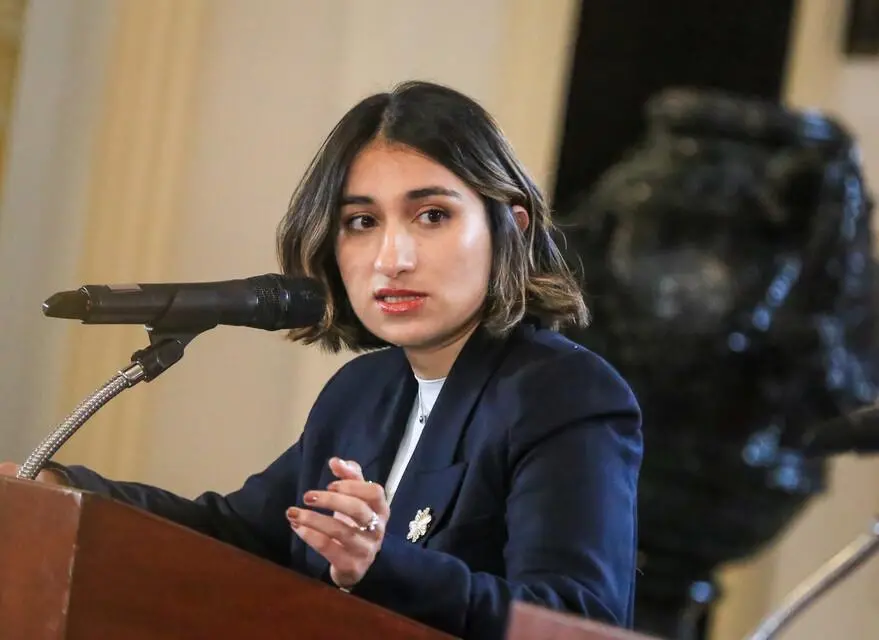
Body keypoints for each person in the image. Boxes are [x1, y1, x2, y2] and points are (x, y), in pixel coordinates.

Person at [0, 80, 643, 640]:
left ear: (514, 227)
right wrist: (63, 490)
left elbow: (574, 624)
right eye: (361, 223)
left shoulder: (564, 393)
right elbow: (236, 534)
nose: (394, 257)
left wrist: (379, 565)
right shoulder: (362, 391)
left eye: (432, 215)